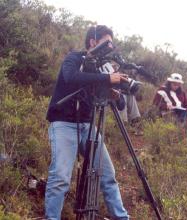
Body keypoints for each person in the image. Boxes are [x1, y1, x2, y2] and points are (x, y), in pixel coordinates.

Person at [45, 25, 129, 220]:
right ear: (93, 41)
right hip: (63, 123)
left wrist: (115, 94)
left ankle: (121, 217)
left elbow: (123, 103)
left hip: (88, 125)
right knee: (60, 178)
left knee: (108, 176)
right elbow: (71, 77)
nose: (110, 47)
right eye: (106, 42)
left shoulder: (103, 67)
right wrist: (106, 78)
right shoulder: (75, 58)